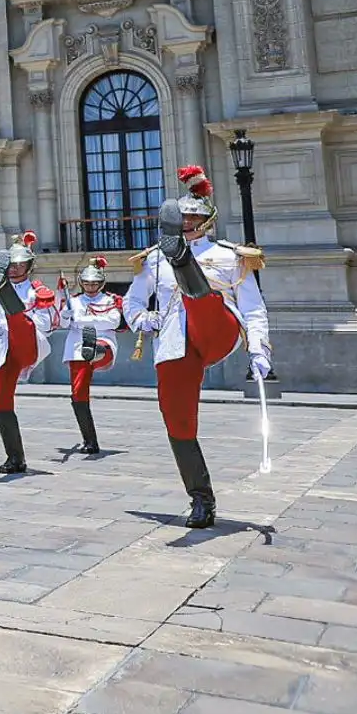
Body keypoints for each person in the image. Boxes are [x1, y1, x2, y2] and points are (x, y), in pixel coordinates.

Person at [123, 166, 271, 529]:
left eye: (192, 217)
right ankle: (201, 499)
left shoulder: (231, 255)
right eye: (181, 217)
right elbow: (132, 303)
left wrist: (259, 350)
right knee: (177, 419)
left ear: (206, 221)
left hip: (218, 328)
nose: (186, 221)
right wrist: (146, 321)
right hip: (176, 342)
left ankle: (186, 267)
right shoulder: (153, 259)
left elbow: (252, 306)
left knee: (201, 299)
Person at [0, 232, 60, 475]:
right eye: (10, 265)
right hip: (4, 348)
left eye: (19, 264)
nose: (14, 269)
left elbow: (47, 323)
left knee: (18, 319)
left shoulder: (37, 291)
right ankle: (15, 457)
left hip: (28, 342)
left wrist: (22, 316)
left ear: (29, 265)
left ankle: (14, 309)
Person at [61, 257, 121, 455]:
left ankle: (95, 351)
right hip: (77, 350)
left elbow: (113, 321)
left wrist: (82, 321)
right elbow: (62, 324)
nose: (90, 286)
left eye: (94, 283)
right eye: (87, 283)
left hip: (103, 343)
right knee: (78, 394)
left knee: (99, 348)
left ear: (101, 283)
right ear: (81, 283)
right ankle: (90, 441)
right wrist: (66, 316)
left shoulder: (109, 300)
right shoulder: (74, 301)